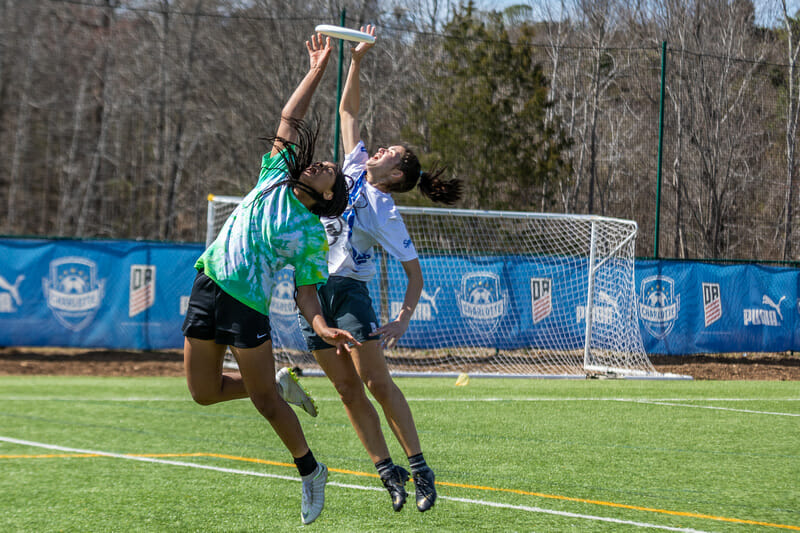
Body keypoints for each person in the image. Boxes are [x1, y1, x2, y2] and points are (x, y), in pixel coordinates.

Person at [181, 33, 360, 526]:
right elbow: (290, 118)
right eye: (328, 166)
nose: (328, 166)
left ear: (328, 199)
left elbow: (305, 292)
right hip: (208, 284)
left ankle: (310, 471)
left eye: (335, 177)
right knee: (203, 392)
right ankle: (281, 383)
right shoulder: (275, 173)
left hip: (247, 307)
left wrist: (321, 327)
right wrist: (318, 69)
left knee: (262, 401)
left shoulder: (311, 233)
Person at [299, 25, 462, 513]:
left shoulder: (384, 207)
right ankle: (386, 473)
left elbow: (414, 272)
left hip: (349, 293)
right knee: (347, 391)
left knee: (374, 383)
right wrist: (357, 60)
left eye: (393, 153)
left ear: (396, 175)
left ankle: (420, 469)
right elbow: (348, 111)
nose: (383, 147)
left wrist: (404, 317)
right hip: (312, 290)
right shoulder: (350, 167)